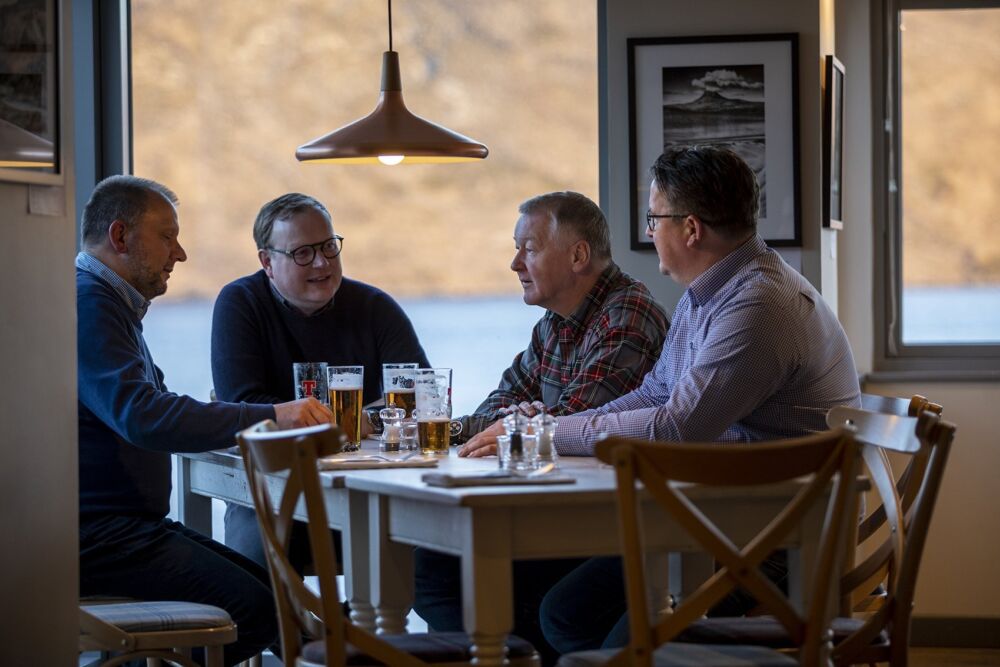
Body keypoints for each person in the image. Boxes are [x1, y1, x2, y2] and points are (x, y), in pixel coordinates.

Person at [458, 146, 862, 655]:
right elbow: (653, 394)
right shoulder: (711, 293)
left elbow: (677, 428)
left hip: (777, 537)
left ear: (690, 229)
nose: (649, 233)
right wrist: (553, 433)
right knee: (564, 613)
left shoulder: (760, 305)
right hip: (721, 515)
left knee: (603, 632)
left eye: (654, 219)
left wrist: (544, 433)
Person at [77, 175, 332, 666]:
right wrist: (273, 415)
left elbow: (149, 406)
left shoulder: (106, 304)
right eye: (167, 236)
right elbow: (142, 415)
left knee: (272, 595)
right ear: (120, 237)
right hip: (100, 536)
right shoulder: (90, 304)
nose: (180, 253)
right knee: (255, 609)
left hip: (120, 528)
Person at [416, 191, 669, 666]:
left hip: (606, 524)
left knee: (440, 569)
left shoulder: (628, 316)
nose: (514, 263)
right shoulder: (555, 323)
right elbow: (501, 403)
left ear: (577, 256)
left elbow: (570, 427)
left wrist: (528, 421)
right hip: (552, 510)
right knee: (429, 562)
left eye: (528, 248)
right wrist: (462, 429)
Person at [212, 192, 430, 570]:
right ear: (267, 261)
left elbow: (419, 397)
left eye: (329, 247)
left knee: (432, 552)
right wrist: (361, 419)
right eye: (302, 253)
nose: (322, 262)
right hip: (273, 491)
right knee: (251, 566)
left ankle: (362, 630)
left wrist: (337, 422)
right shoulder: (240, 303)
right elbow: (245, 407)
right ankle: (298, 630)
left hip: (365, 491)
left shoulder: (375, 307)